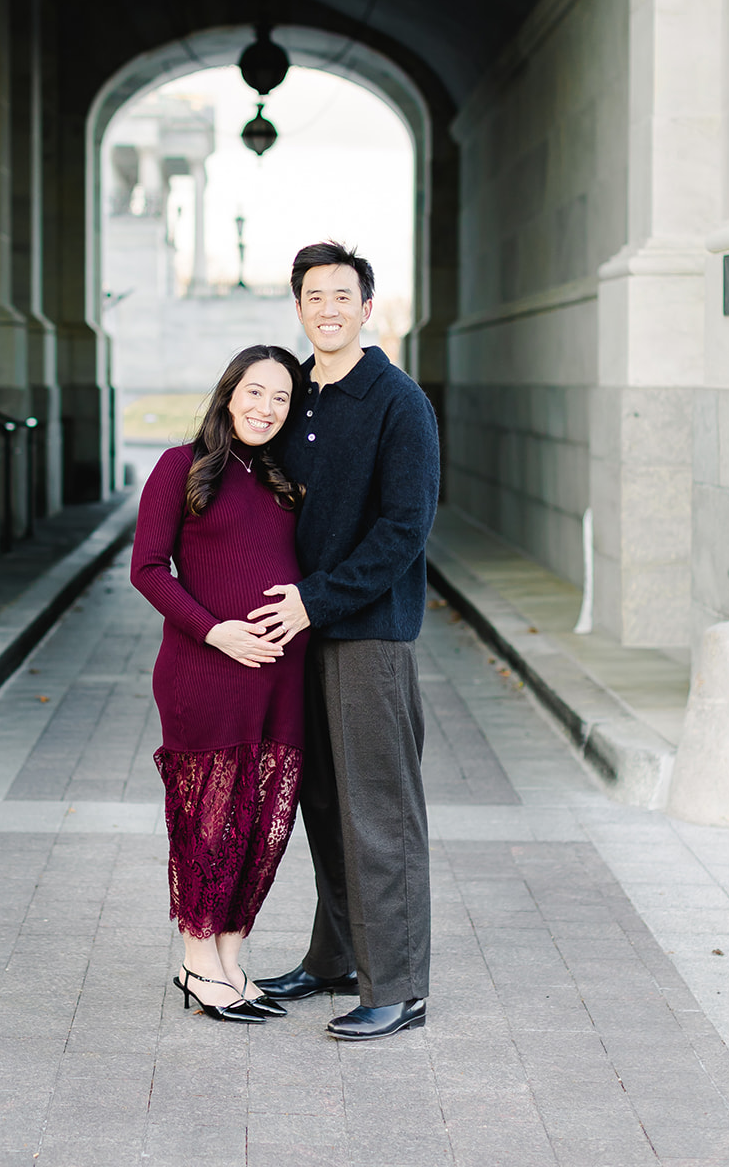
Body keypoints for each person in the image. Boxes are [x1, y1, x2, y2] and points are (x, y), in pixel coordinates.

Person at [249, 241, 440, 1041]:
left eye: (342, 296)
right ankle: (333, 960)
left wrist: (315, 600)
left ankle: (397, 986)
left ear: (367, 307)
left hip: (364, 635)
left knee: (379, 811)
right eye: (312, 297)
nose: (326, 309)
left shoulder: (398, 402)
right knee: (321, 804)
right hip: (300, 635)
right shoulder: (295, 397)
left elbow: (404, 529)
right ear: (298, 308)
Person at [130, 344, 308, 1024]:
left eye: (281, 399)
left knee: (264, 821)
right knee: (210, 819)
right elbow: (147, 569)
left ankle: (229, 955)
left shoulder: (283, 478)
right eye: (255, 392)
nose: (265, 408)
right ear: (229, 393)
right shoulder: (181, 466)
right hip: (204, 670)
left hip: (281, 675)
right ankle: (195, 960)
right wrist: (214, 631)